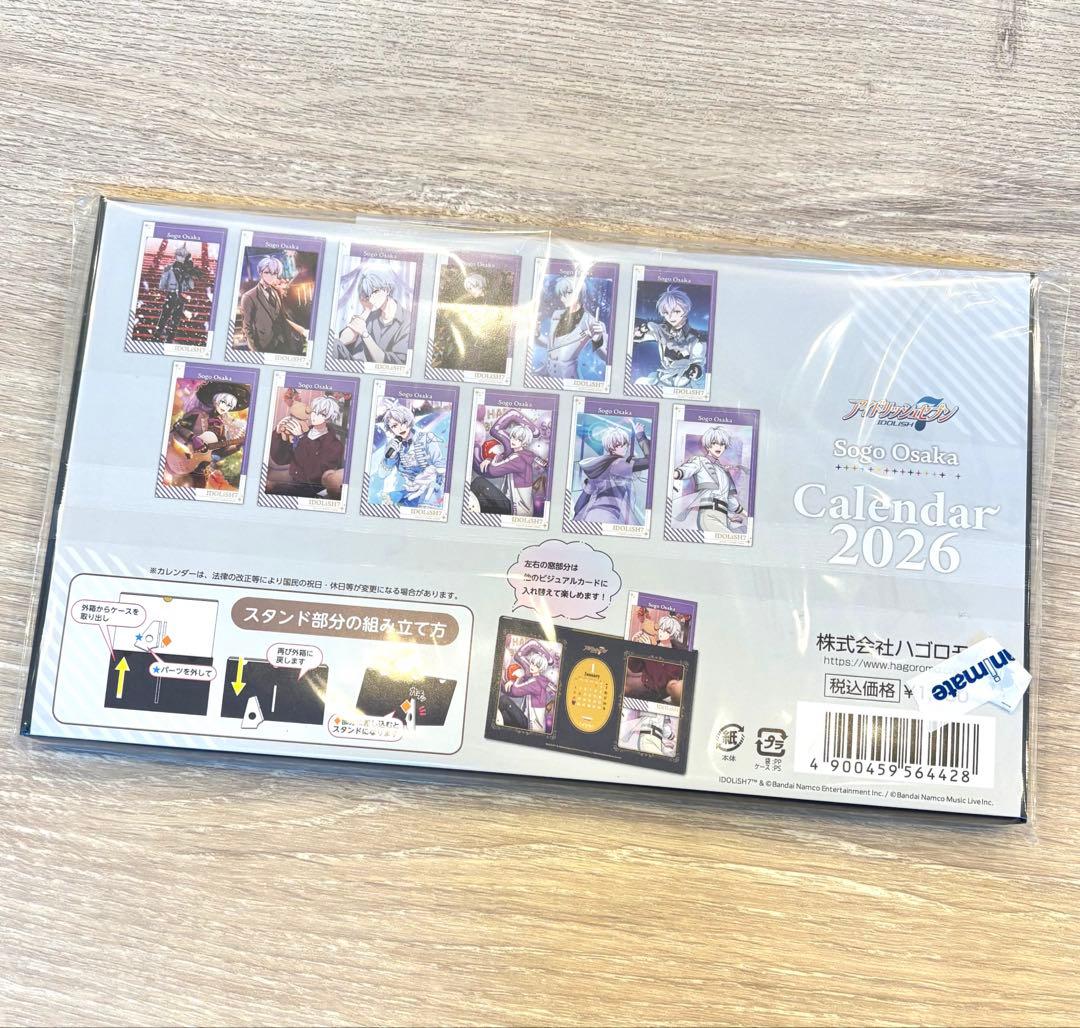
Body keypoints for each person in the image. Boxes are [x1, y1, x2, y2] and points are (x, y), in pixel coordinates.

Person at [166, 380, 249, 489]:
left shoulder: (221, 426)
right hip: (179, 455)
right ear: (216, 399)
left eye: (229, 405)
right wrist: (193, 438)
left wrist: (237, 446)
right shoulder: (198, 414)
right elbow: (178, 428)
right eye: (223, 402)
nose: (225, 407)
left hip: (197, 470)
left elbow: (217, 453)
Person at [267, 395, 346, 499]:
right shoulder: (304, 430)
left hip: (310, 489)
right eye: (313, 411)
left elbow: (314, 475)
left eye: (321, 414)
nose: (314, 416)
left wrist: (301, 438)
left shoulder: (335, 446)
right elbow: (281, 459)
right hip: (292, 480)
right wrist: (278, 434)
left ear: (329, 418)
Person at [572, 423, 650, 525]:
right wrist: (640, 435)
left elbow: (579, 505)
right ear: (613, 446)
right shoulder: (619, 464)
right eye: (624, 444)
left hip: (590, 516)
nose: (626, 447)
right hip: (609, 517)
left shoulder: (598, 468)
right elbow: (649, 461)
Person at [672, 426, 746, 532]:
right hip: (708, 515)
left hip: (724, 517)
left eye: (722, 444)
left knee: (741, 532)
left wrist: (747, 514)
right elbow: (688, 469)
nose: (719, 447)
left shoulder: (723, 471)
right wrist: (676, 473)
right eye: (715, 443)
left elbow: (729, 499)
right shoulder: (700, 461)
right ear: (708, 445)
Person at [634, 286, 707, 389]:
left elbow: (698, 362)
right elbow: (640, 336)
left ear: (685, 310)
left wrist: (696, 370)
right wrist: (640, 332)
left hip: (683, 383)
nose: (671, 317)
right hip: (662, 378)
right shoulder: (660, 330)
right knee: (639, 383)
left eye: (676, 311)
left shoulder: (696, 338)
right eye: (666, 313)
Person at [477, 409, 547, 518]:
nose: (514, 441)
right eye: (513, 437)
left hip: (516, 510)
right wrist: (491, 459)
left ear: (524, 442)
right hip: (523, 508)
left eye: (519, 439)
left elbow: (493, 470)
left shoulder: (517, 458)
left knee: (479, 483)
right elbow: (542, 462)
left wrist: (492, 459)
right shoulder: (527, 454)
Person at [336, 270, 411, 364]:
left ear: (386, 290)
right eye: (368, 295)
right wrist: (366, 311)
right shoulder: (371, 315)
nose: (371, 299)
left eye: (375, 292)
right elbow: (341, 343)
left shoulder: (408, 321)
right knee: (334, 345)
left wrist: (364, 334)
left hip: (387, 371)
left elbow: (393, 364)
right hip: (361, 369)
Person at [540, 276, 607, 379]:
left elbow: (606, 357)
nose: (562, 299)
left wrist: (597, 340)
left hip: (569, 379)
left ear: (579, 293)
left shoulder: (591, 321)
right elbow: (553, 347)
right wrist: (538, 336)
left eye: (567, 293)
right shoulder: (557, 315)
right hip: (548, 377)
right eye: (561, 295)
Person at [379, 403, 445, 507]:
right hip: (406, 489)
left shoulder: (427, 438)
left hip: (430, 488)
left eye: (404, 422)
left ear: (409, 421)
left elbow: (440, 466)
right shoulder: (392, 445)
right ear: (390, 429)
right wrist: (391, 457)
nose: (401, 428)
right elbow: (382, 475)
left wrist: (435, 476)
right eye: (395, 426)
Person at [239, 255, 307, 355]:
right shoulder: (249, 297)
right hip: (264, 346)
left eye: (275, 273)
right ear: (260, 272)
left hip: (284, 344)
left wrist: (301, 331)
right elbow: (247, 328)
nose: (271, 276)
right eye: (267, 272)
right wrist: (256, 351)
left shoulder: (276, 292)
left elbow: (282, 317)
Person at [501, 640, 557, 733]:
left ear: (541, 668)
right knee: (503, 716)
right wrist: (513, 680)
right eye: (532, 663)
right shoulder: (538, 679)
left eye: (536, 666)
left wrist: (549, 659)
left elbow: (515, 691)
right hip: (528, 721)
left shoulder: (535, 682)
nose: (532, 666)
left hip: (530, 727)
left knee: (504, 700)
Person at [154, 244, 204, 346]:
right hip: (172, 294)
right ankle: (159, 333)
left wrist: (188, 275)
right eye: (179, 255)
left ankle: (169, 336)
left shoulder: (185, 269)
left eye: (183, 256)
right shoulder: (169, 268)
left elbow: (191, 286)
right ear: (176, 256)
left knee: (174, 317)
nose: (181, 258)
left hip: (180, 296)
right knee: (166, 315)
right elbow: (162, 284)